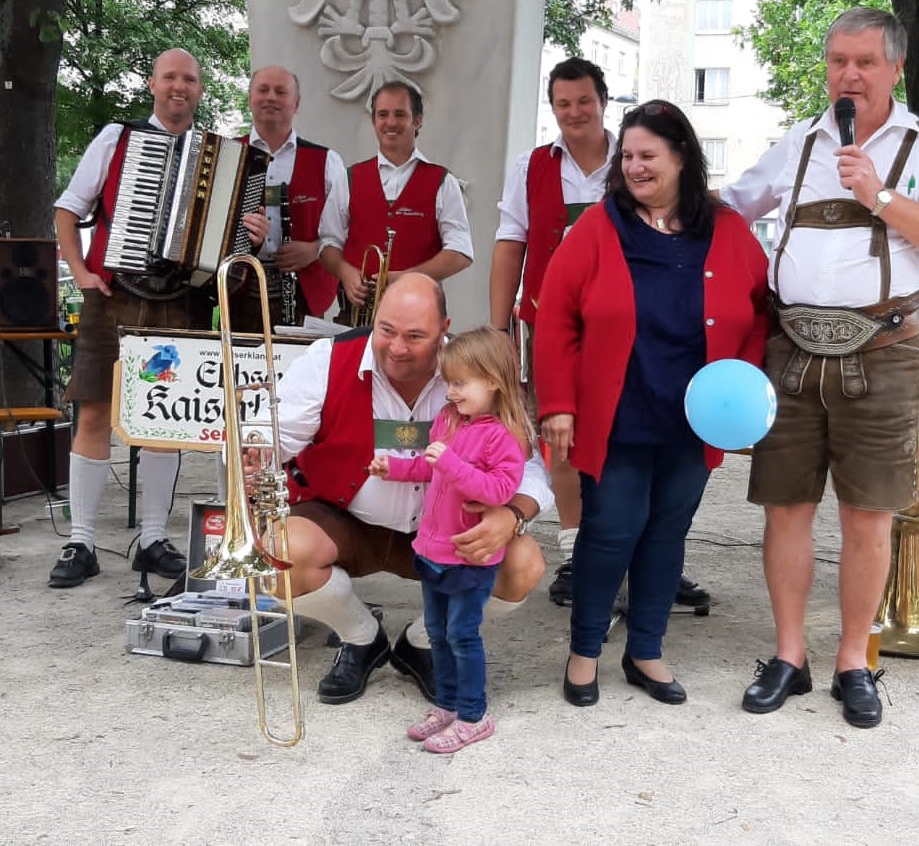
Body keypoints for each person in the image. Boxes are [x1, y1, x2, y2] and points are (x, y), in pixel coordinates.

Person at [721, 7, 919, 728]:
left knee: (867, 516)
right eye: (838, 60)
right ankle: (787, 656)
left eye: (864, 62)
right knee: (784, 509)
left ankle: (853, 661)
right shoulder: (800, 142)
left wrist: (881, 197)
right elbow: (732, 207)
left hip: (882, 349)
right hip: (792, 350)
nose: (848, 75)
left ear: (895, 68)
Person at [535, 99, 770, 708]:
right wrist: (557, 403)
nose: (635, 167)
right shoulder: (598, 226)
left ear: (682, 157)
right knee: (610, 531)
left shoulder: (727, 229)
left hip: (694, 416)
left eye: (648, 156)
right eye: (628, 156)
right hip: (617, 411)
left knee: (667, 533)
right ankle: (584, 652)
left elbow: (757, 315)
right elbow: (555, 317)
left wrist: (741, 391)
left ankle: (646, 650)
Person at [264, 273, 551, 706]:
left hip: (447, 531)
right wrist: (254, 453)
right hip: (344, 523)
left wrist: (513, 516)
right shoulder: (327, 359)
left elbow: (528, 464)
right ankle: (361, 638)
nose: (397, 348)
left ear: (444, 330)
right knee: (279, 550)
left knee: (523, 565)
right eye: (387, 330)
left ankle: (423, 643)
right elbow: (271, 438)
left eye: (415, 336)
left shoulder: (474, 370)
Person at [488, 59, 712, 613]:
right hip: (551, 321)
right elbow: (510, 241)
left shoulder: (637, 157)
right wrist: (498, 327)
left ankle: (648, 559)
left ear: (603, 101)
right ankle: (577, 551)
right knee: (560, 435)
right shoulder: (531, 166)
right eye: (563, 103)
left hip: (631, 326)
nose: (573, 113)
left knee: (640, 435)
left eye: (583, 101)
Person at [48, 48, 208, 588]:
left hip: (179, 300)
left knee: (165, 418)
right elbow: (68, 209)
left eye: (188, 79)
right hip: (112, 294)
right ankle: (82, 541)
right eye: (170, 77)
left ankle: (154, 538)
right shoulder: (115, 137)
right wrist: (80, 272)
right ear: (152, 84)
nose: (178, 87)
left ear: (200, 89)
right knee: (93, 412)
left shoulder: (215, 155)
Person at [368, 325, 532, 753]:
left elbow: (497, 491)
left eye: (460, 383)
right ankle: (447, 705)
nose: (451, 392)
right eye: (449, 382)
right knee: (438, 633)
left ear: (493, 381)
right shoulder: (448, 419)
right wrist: (395, 469)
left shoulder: (504, 436)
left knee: (463, 634)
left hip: (470, 558)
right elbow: (428, 467)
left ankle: (474, 714)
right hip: (434, 548)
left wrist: (454, 463)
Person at [317, 82, 473, 319]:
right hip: (356, 316)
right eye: (382, 115)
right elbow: (328, 243)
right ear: (374, 121)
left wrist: (410, 277)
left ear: (418, 120)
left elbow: (460, 251)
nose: (390, 122)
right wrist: (345, 272)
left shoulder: (443, 181)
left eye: (400, 114)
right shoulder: (348, 178)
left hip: (420, 314)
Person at [236, 66, 346, 324]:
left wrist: (316, 250)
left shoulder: (327, 161)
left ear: (296, 104)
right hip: (239, 290)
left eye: (281, 92)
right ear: (250, 99)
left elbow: (350, 227)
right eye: (263, 90)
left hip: (304, 293)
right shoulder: (228, 155)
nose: (271, 97)